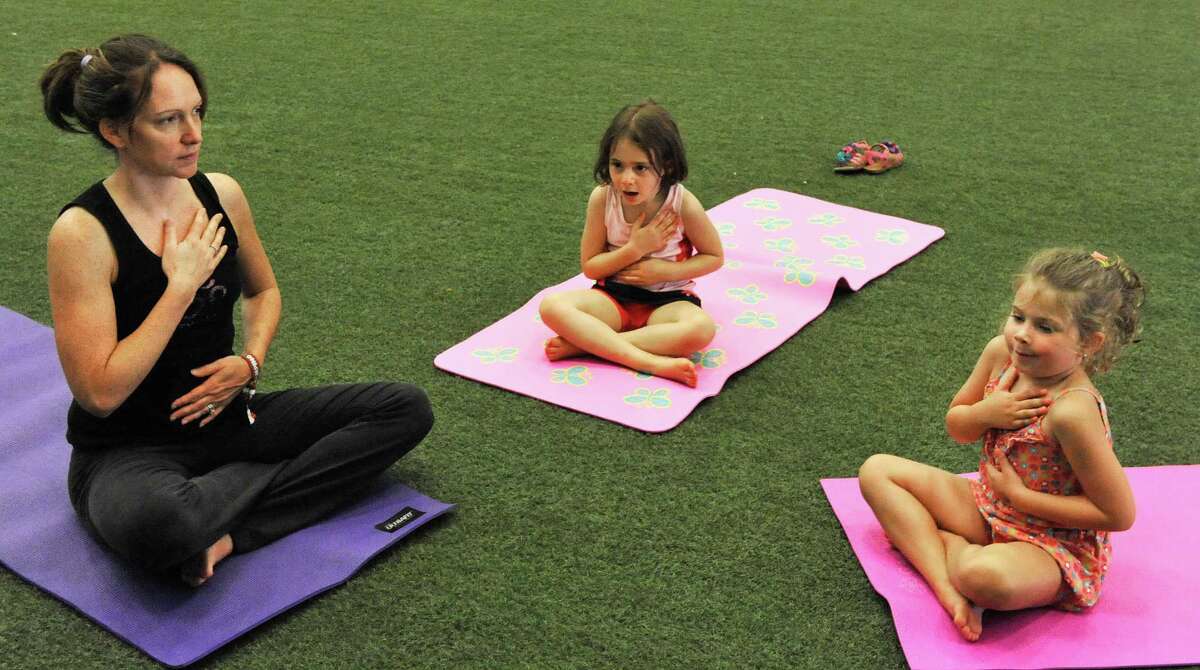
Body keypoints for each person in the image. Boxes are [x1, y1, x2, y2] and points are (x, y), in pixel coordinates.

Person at [39, 35, 433, 586]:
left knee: (404, 409)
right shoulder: (82, 233)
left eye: (197, 112)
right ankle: (259, 489)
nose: (193, 134)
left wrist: (249, 363)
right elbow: (99, 394)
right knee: (161, 524)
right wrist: (180, 287)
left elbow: (263, 292)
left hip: (227, 418)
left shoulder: (221, 193)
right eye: (168, 120)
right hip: (129, 450)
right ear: (115, 131)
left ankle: (228, 531)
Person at [858, 248, 1145, 641]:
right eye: (1018, 316)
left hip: (1050, 543)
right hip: (988, 505)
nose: (1022, 334)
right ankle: (947, 586)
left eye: (1045, 327)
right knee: (877, 471)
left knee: (984, 577)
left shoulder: (1071, 412)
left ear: (1090, 343)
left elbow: (1117, 514)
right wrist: (985, 414)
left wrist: (1020, 497)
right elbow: (958, 426)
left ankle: (945, 552)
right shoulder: (1001, 355)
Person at [538, 100, 723, 388]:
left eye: (641, 168)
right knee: (551, 306)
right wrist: (634, 249)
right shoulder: (602, 198)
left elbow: (714, 256)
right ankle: (648, 361)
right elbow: (591, 267)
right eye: (617, 165)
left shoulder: (682, 203)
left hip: (667, 302)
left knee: (701, 329)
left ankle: (590, 346)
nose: (626, 179)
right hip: (612, 298)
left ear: (667, 165)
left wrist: (663, 272)